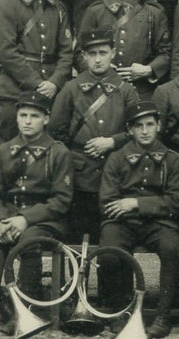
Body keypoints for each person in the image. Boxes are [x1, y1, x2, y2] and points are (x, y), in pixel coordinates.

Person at [0, 91, 72, 335]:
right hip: (6, 213)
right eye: (22, 115)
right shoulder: (3, 151)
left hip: (44, 218)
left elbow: (61, 201)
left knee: (29, 243)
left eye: (34, 116)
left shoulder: (58, 153)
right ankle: (6, 307)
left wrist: (26, 219)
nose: (27, 121)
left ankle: (29, 310)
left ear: (46, 119)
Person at [98, 100, 179, 339]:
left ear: (158, 126)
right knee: (110, 251)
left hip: (159, 223)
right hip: (122, 222)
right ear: (129, 130)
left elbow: (176, 202)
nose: (145, 131)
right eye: (139, 126)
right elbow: (107, 202)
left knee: (171, 248)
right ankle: (122, 310)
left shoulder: (172, 160)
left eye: (150, 124)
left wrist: (136, 203)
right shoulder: (117, 158)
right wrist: (128, 208)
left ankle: (163, 315)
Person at [47, 28, 140, 243]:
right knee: (75, 239)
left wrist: (112, 142)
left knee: (111, 240)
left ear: (113, 53)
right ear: (84, 56)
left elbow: (139, 132)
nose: (98, 59)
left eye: (103, 53)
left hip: (115, 175)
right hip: (79, 177)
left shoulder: (126, 91)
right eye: (92, 54)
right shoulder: (71, 88)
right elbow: (55, 132)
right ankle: (76, 277)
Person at [0, 0, 74, 141]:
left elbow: (66, 51)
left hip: (52, 91)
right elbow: (5, 52)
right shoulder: (7, 5)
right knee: (11, 148)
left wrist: (54, 82)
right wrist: (37, 83)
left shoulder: (57, 7)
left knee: (50, 148)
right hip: (15, 90)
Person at [75, 0, 172, 98]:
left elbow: (166, 53)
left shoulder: (153, 12)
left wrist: (148, 69)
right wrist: (98, 68)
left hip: (140, 90)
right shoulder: (96, 11)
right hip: (101, 90)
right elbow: (79, 53)